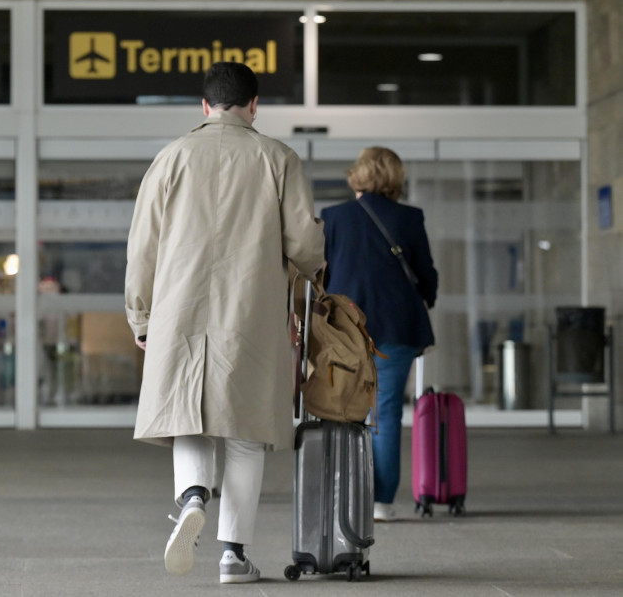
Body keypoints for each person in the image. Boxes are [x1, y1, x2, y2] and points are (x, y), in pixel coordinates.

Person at [124, 62, 324, 584]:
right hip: (251, 312)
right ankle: (233, 555)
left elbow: (142, 248)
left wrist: (140, 313)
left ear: (204, 105)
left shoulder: (170, 158)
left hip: (179, 311)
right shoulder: (277, 158)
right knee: (246, 432)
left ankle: (193, 494)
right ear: (254, 106)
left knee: (186, 415)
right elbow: (306, 247)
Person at [320, 146, 438, 522]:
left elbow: (323, 273)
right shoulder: (409, 217)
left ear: (358, 174)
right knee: (385, 415)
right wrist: (425, 299)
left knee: (343, 412)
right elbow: (426, 273)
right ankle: (382, 502)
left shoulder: (334, 218)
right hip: (397, 327)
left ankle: (345, 496)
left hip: (347, 330)